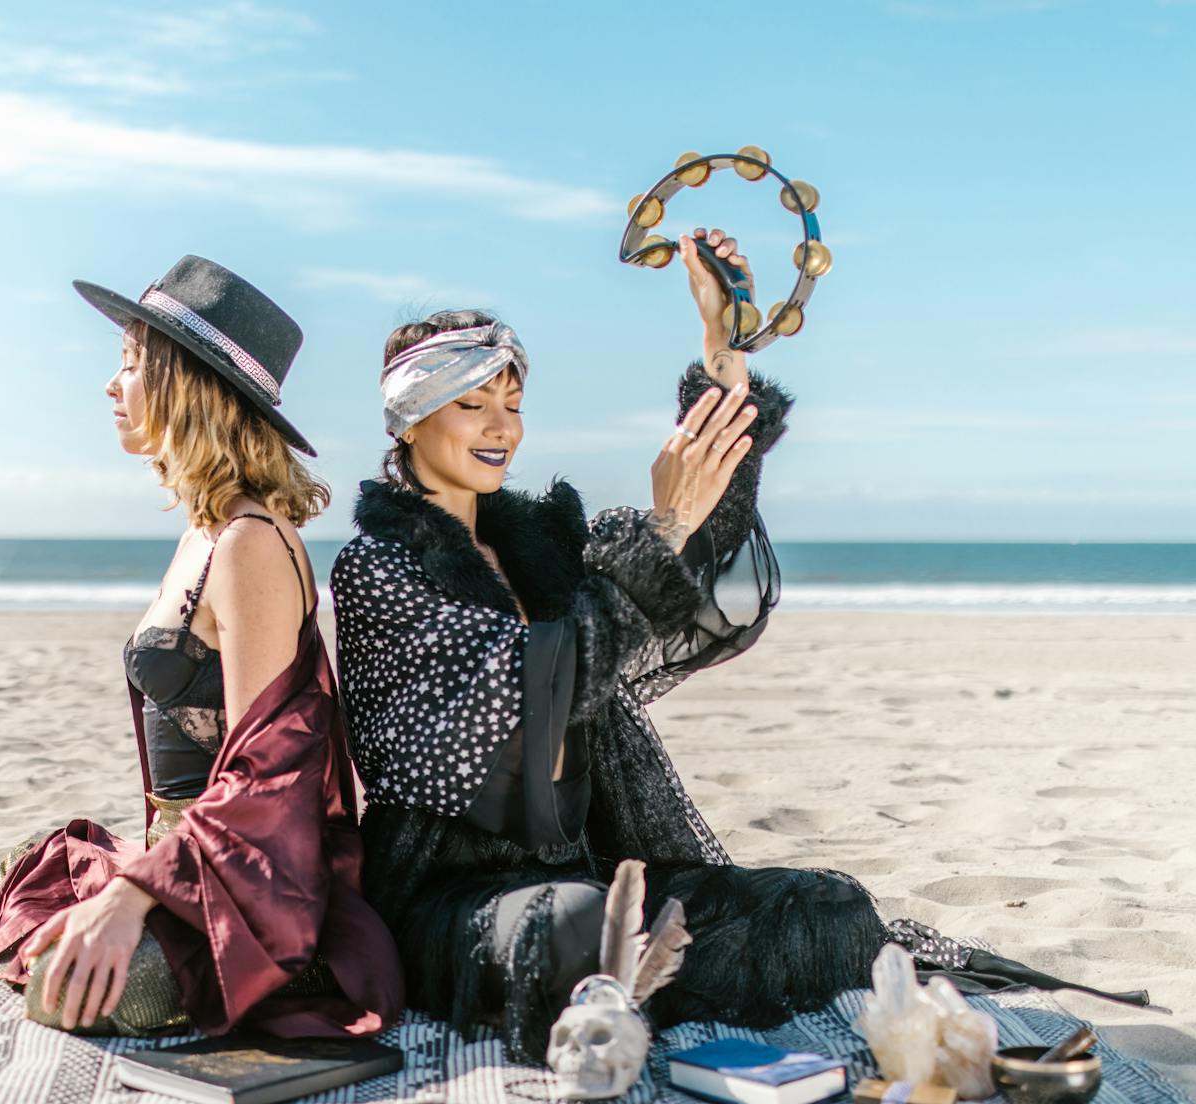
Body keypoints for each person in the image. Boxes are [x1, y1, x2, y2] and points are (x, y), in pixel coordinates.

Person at [331, 226, 894, 1061]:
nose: (502, 429)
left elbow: (688, 566)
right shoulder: (376, 567)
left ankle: (634, 976)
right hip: (453, 888)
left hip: (593, 856)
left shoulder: (544, 542)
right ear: (410, 418)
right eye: (473, 403)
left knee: (828, 907)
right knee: (579, 924)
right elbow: (535, 684)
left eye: (514, 404)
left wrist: (721, 354)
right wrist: (660, 525)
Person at [0, 255, 403, 1040]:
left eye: (129, 365)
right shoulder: (205, 525)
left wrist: (131, 896)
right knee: (33, 870)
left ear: (187, 386)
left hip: (252, 882)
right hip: (182, 862)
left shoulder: (251, 543)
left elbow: (269, 780)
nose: (109, 385)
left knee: (67, 985)